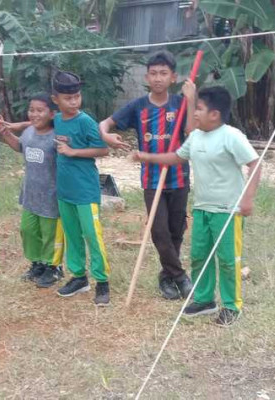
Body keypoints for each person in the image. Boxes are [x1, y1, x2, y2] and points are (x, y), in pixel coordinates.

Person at [132, 86, 261, 327]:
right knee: (200, 256)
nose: (194, 114)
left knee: (226, 259)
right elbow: (177, 157)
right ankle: (204, 300)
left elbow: (255, 163)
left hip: (227, 211)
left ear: (215, 114)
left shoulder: (231, 136)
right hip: (202, 208)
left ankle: (232, 306)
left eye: (199, 109)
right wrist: (147, 157)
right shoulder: (196, 137)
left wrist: (248, 198)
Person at [99, 51, 196, 300]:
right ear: (146, 77)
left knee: (176, 230)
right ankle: (181, 277)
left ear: (173, 77)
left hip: (179, 176)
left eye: (164, 73)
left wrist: (192, 100)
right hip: (152, 180)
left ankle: (166, 278)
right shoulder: (138, 106)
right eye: (153, 73)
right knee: (159, 230)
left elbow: (191, 134)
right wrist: (107, 136)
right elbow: (104, 125)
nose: (158, 78)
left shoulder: (180, 103)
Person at [51, 71, 111, 306]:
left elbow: (103, 149)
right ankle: (78, 277)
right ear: (55, 99)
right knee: (72, 236)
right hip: (65, 191)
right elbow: (36, 121)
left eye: (77, 97)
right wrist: (11, 126)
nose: (74, 102)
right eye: (68, 98)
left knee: (92, 236)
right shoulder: (56, 119)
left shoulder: (85, 121)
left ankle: (102, 282)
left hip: (85, 191)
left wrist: (73, 152)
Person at [0, 94, 64, 288]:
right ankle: (37, 263)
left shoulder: (57, 136)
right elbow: (20, 147)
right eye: (31, 110)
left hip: (51, 195)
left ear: (52, 113)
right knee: (28, 230)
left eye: (40, 110)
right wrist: (6, 133)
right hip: (30, 194)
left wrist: (18, 124)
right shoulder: (29, 132)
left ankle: (53, 267)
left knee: (49, 233)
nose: (34, 114)